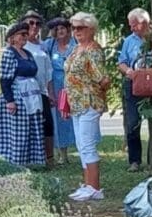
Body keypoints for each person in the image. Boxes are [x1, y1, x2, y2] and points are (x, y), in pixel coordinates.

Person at [63, 12, 111, 202]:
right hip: (76, 103)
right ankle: (87, 184)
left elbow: (103, 78)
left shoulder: (93, 50)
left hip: (89, 102)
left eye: (80, 27)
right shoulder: (77, 49)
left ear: (91, 28)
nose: (76, 31)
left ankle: (94, 187)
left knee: (88, 144)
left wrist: (93, 90)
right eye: (73, 28)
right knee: (82, 145)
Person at [0, 21, 46, 168]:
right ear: (12, 37)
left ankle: (32, 161)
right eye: (22, 34)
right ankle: (15, 162)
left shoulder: (28, 53)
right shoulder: (9, 53)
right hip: (17, 96)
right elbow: (5, 79)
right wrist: (10, 100)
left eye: (26, 34)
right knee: (17, 131)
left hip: (31, 95)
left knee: (31, 128)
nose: (25, 37)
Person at [118, 7, 152, 172]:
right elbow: (121, 62)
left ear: (145, 23)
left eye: (134, 24)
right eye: (130, 25)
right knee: (133, 122)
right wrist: (129, 72)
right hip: (134, 83)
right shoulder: (129, 41)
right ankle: (135, 161)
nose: (132, 28)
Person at [22, 13, 55, 166]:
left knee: (48, 124)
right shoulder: (20, 46)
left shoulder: (42, 46)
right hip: (26, 92)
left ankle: (49, 158)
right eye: (31, 23)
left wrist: (51, 93)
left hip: (42, 91)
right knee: (29, 125)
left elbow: (48, 72)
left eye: (37, 24)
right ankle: (29, 158)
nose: (34, 27)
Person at [44, 17, 77, 163]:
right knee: (58, 118)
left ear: (68, 29)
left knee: (75, 116)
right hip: (56, 85)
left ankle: (82, 149)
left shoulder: (76, 44)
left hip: (74, 84)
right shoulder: (49, 45)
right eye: (56, 29)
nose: (60, 31)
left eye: (62, 28)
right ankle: (62, 154)